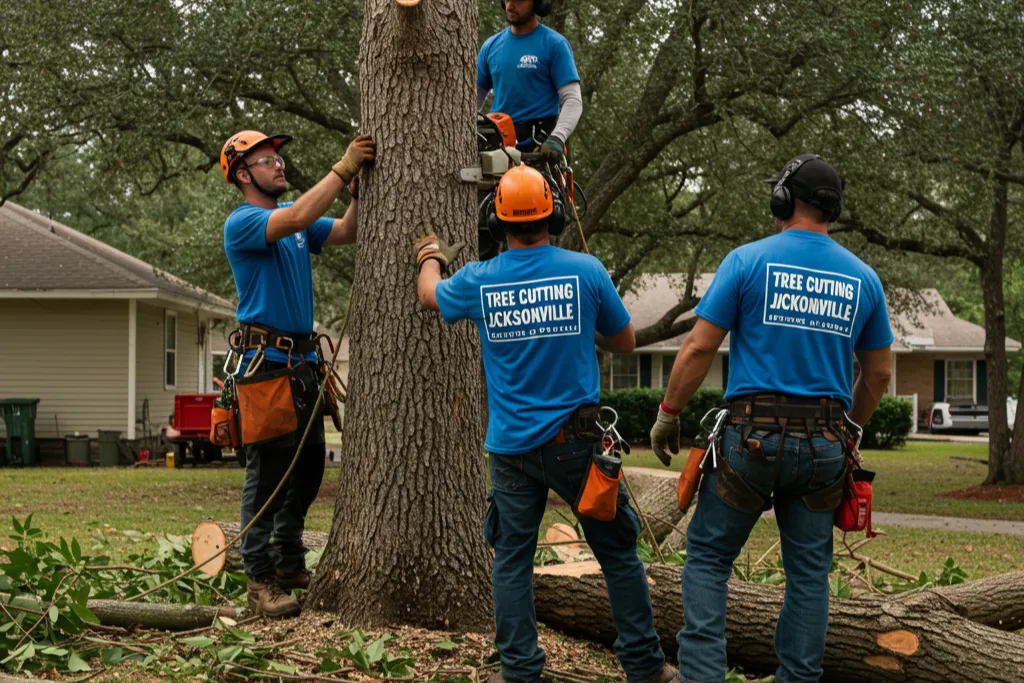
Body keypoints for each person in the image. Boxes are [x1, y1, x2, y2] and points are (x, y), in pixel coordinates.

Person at [413, 165, 677, 683]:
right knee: (618, 556)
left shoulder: (480, 279)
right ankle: (646, 669)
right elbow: (624, 342)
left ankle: (519, 671)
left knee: (511, 559)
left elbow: (429, 295)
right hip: (578, 448)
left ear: (497, 222)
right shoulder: (586, 271)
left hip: (511, 451)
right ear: (553, 216)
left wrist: (429, 256)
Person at [649, 154, 894, 683]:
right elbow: (878, 373)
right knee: (809, 575)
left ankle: (702, 676)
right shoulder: (863, 278)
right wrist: (848, 430)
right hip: (825, 446)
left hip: (750, 440)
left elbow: (698, 348)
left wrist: (668, 414)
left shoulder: (747, 261)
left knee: (708, 558)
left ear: (783, 199)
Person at [220, 129, 376, 618]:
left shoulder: (296, 225)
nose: (279, 166)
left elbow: (347, 230)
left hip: (304, 365)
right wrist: (343, 168)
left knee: (308, 470)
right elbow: (299, 216)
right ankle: (259, 578)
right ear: (243, 175)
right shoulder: (244, 222)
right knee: (267, 475)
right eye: (267, 161)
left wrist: (358, 192)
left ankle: (289, 563)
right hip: (267, 365)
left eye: (279, 160)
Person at [476, 0, 583, 260]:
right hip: (496, 152)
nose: (511, 3)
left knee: (532, 236)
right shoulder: (491, 47)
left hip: (537, 153)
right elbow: (473, 99)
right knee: (485, 233)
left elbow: (572, 100)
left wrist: (557, 139)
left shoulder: (553, 45)